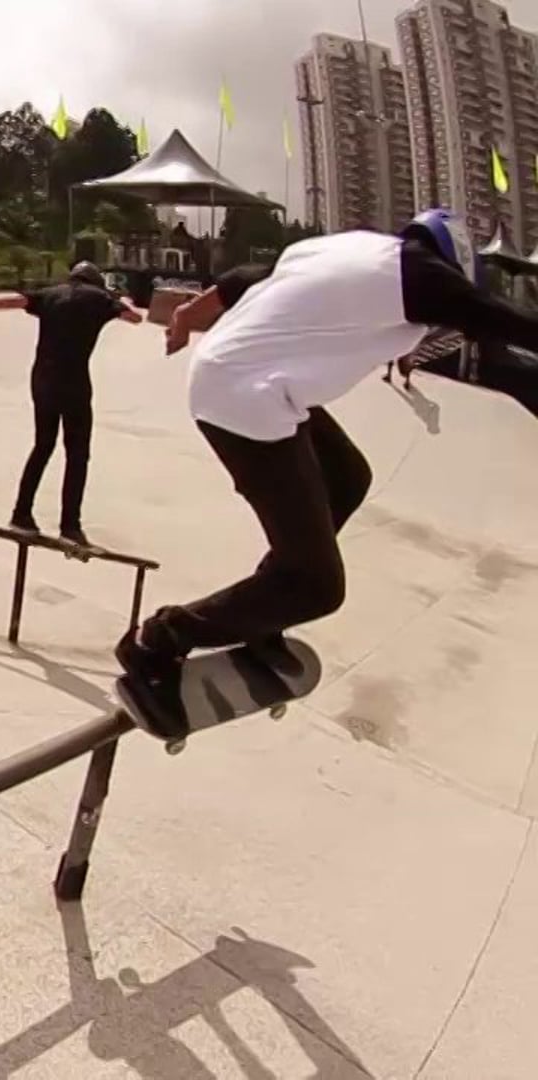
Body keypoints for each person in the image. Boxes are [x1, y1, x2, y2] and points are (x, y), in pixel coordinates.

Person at [117, 208, 538, 734]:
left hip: (250, 378)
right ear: (446, 262)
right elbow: (501, 317)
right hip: (246, 401)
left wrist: (186, 315)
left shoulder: (339, 248)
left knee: (348, 476)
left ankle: (264, 609)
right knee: (319, 588)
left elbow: (244, 279)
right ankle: (160, 640)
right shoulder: (421, 274)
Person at [0, 262, 146, 546]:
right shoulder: (101, 299)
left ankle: (21, 514)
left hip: (42, 379)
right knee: (77, 455)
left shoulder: (51, 294)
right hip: (74, 383)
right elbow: (135, 318)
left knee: (43, 445)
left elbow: (14, 300)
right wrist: (124, 300)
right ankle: (70, 526)